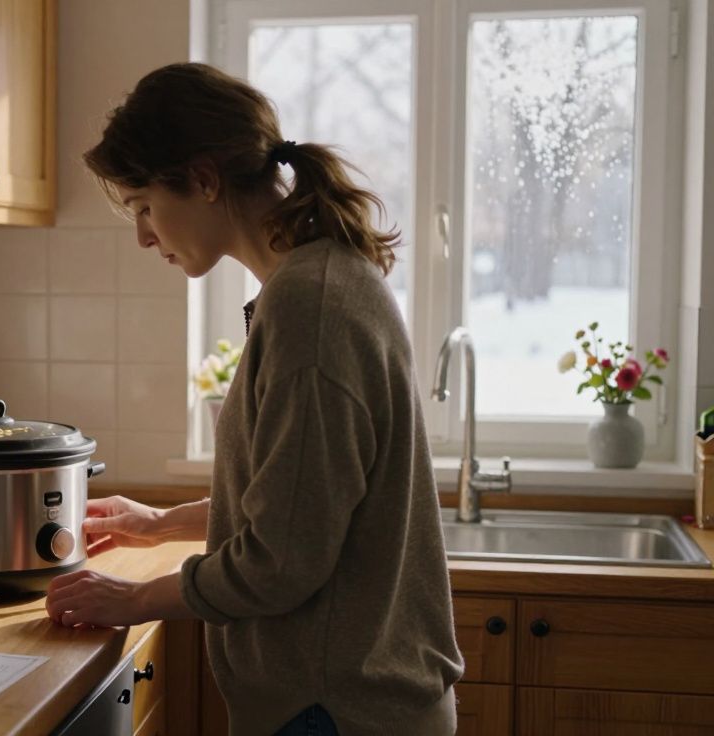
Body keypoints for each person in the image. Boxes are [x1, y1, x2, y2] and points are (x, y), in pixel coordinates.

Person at [44, 63, 463, 736]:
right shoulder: (320, 281)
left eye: (145, 206)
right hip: (346, 702)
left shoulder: (311, 306)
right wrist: (159, 523)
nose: (144, 235)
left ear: (205, 180)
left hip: (334, 709)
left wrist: (135, 598)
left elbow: (280, 562)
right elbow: (298, 502)